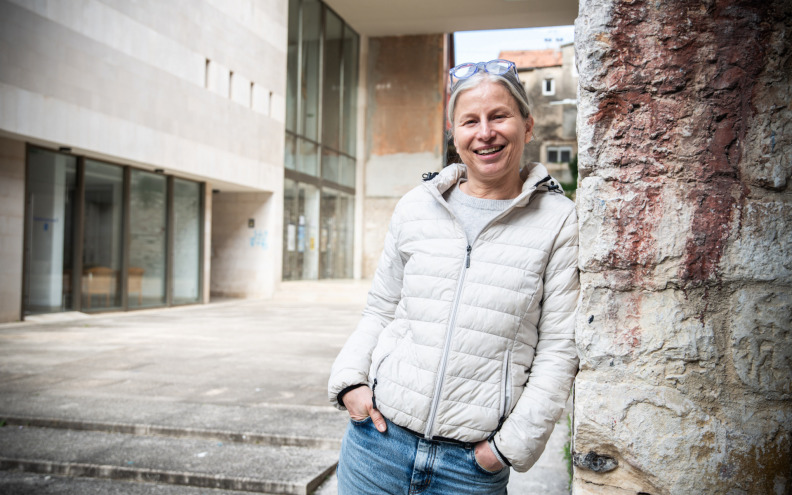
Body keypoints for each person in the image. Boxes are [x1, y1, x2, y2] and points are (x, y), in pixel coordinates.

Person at [328, 59, 579, 494]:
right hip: (376, 449)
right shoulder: (416, 206)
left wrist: (505, 449)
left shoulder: (558, 220)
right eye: (470, 121)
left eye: (499, 116)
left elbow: (558, 348)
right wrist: (350, 381)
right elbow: (381, 309)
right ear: (455, 134)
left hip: (468, 472)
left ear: (527, 125)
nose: (485, 132)